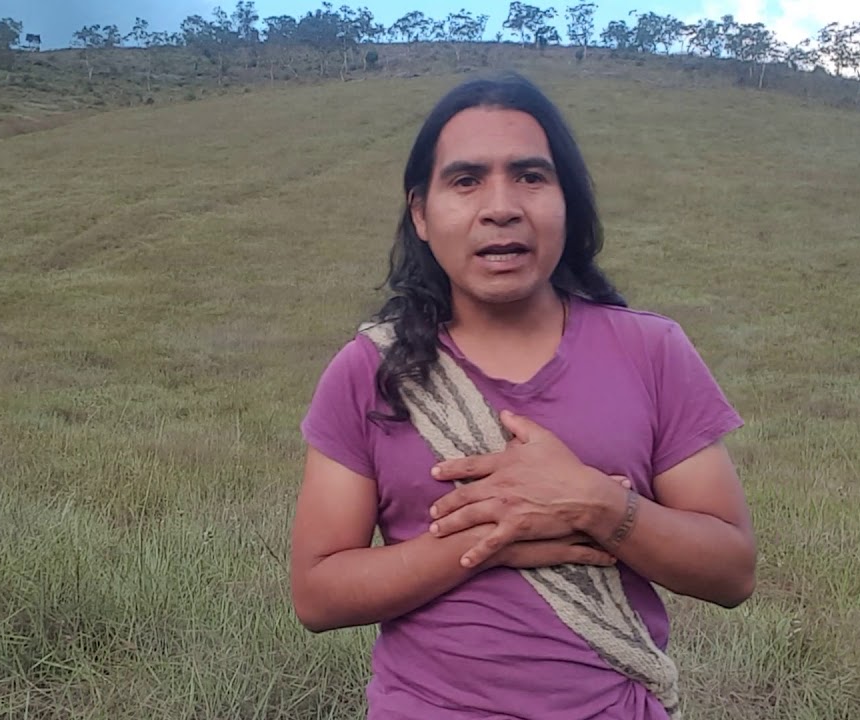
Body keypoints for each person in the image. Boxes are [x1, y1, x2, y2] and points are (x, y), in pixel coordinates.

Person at [289, 72, 757, 720]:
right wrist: (491, 537)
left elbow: (732, 572)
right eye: (466, 179)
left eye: (531, 177)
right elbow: (317, 594)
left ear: (568, 201)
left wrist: (594, 501)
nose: (501, 205)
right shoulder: (368, 371)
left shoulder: (652, 352)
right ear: (421, 213)